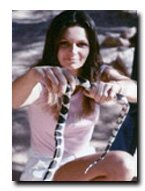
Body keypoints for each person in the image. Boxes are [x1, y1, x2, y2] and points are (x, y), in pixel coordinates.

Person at [12, 10, 137, 181]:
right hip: (47, 169)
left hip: (85, 163)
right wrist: (32, 76)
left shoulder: (97, 73)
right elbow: (11, 100)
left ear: (90, 47)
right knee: (123, 163)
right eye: (64, 43)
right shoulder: (43, 79)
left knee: (125, 170)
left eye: (81, 44)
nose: (73, 51)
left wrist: (117, 87)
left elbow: (135, 91)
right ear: (53, 46)